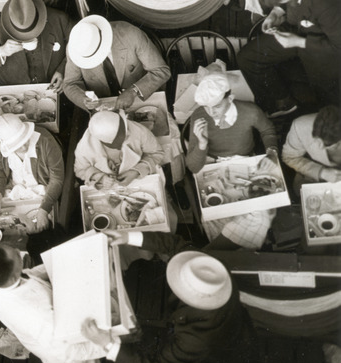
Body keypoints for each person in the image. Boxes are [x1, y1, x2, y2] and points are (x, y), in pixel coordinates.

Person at [81, 231, 260, 363]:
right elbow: (176, 244)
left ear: (193, 298)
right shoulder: (210, 268)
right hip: (238, 331)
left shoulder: (195, 338)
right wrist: (129, 236)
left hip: (215, 361)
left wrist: (107, 344)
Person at [186, 71, 280, 250]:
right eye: (206, 107)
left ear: (230, 99)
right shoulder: (199, 115)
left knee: (261, 212)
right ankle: (230, 253)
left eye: (216, 106)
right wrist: (202, 144)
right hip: (211, 165)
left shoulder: (250, 111)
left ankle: (223, 252)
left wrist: (271, 151)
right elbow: (192, 166)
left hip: (244, 163)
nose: (211, 113)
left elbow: (267, 131)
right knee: (217, 213)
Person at [0, 245, 104, 363]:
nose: (17, 251)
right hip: (60, 350)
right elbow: (67, 352)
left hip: (39, 335)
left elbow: (26, 275)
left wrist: (60, 261)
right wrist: (104, 345)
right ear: (12, 278)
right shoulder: (34, 314)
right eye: (17, 255)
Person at [238, 0, 341, 117]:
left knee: (326, 101)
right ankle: (284, 102)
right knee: (248, 58)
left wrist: (298, 42)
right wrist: (276, 12)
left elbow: (337, 46)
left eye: (280, 1)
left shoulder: (327, 4)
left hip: (321, 46)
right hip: (296, 29)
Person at [58, 16, 170, 111]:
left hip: (142, 100)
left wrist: (133, 91)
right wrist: (83, 99)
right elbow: (70, 84)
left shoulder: (131, 34)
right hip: (104, 107)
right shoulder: (76, 48)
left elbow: (161, 71)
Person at [0, 0, 72, 86]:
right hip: (12, 91)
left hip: (50, 87)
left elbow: (76, 46)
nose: (27, 37)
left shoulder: (60, 19)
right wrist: (2, 51)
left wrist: (62, 70)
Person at [0, 113, 64, 233]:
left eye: (25, 139)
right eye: (17, 146)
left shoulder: (46, 141)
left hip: (44, 191)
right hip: (13, 188)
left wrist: (44, 210)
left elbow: (57, 179)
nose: (24, 147)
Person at [74, 110, 164, 189]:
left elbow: (157, 152)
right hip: (107, 189)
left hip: (140, 180)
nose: (128, 134)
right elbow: (80, 171)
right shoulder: (84, 148)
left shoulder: (138, 131)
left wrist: (137, 171)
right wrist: (100, 177)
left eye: (125, 129)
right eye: (121, 139)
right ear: (106, 143)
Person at [282, 105, 341, 190]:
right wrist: (321, 172)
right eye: (317, 140)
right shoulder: (300, 126)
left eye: (328, 145)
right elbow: (289, 157)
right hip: (311, 175)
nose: (320, 148)